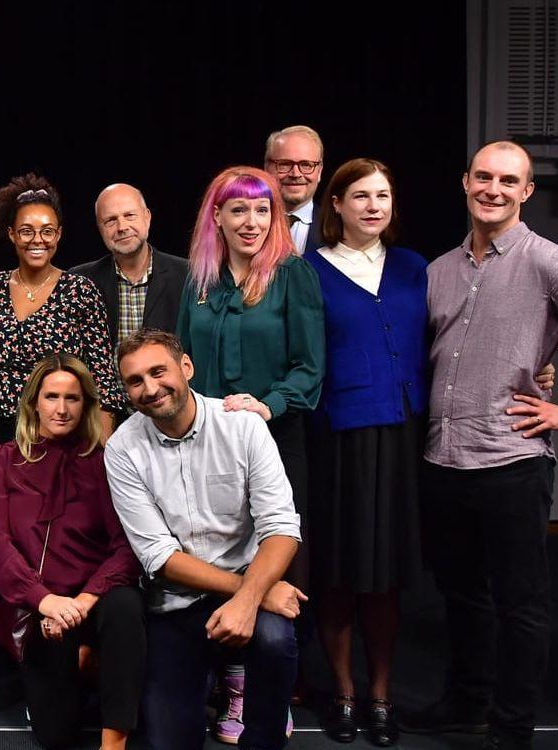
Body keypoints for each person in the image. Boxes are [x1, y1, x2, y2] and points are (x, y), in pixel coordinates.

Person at [401, 142, 558, 750]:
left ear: (526, 191)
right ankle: (467, 702)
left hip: (510, 462)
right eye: (483, 177)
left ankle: (511, 729)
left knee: (521, 604)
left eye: (507, 180)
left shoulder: (549, 262)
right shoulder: (438, 270)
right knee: (461, 596)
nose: (493, 188)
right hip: (444, 459)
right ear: (465, 183)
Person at [105, 330, 306, 750]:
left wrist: (248, 600)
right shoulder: (122, 449)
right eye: (135, 381)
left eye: (158, 371)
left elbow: (281, 527)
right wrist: (257, 594)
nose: (150, 388)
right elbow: (159, 556)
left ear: (187, 367)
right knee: (169, 741)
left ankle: (262, 733)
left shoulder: (243, 427)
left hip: (247, 583)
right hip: (175, 600)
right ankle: (218, 680)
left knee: (275, 639)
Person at [178, 165, 323, 742]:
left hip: (273, 440)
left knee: (268, 561)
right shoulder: (199, 279)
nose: (252, 222)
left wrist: (266, 405)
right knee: (212, 552)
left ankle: (264, 696)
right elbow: (182, 359)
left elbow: (310, 369)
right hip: (206, 444)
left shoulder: (293, 277)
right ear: (217, 216)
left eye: (263, 211)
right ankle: (220, 684)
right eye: (238, 210)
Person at [303, 158, 426, 747]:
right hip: (339, 439)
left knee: (386, 575)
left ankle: (382, 693)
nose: (374, 206)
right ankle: (344, 693)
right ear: (336, 205)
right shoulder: (308, 271)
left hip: (403, 436)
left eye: (383, 195)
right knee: (340, 572)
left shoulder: (414, 269)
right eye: (360, 196)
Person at [0, 354, 144, 750]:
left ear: (86, 404)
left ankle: (114, 741)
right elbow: (0, 548)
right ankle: (82, 664)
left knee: (125, 604)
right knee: (57, 735)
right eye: (51, 396)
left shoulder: (104, 462)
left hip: (93, 600)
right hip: (40, 608)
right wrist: (45, 601)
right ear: (34, 401)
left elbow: (126, 548)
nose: (61, 408)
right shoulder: (3, 460)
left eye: (72, 398)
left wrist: (86, 600)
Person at [0, 173, 126, 442]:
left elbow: (104, 383)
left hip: (63, 437)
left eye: (47, 230)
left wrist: (99, 457)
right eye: (27, 230)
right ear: (12, 234)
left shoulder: (80, 291)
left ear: (59, 234)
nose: (37, 239)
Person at [70, 183, 189, 351]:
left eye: (130, 215)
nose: (122, 227)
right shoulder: (80, 281)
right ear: (100, 229)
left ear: (147, 217)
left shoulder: (187, 275)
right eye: (110, 221)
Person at [263, 125, 326, 254]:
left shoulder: (340, 230)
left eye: (306, 165)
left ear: (319, 171)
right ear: (266, 168)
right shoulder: (246, 224)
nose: (295, 174)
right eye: (285, 164)